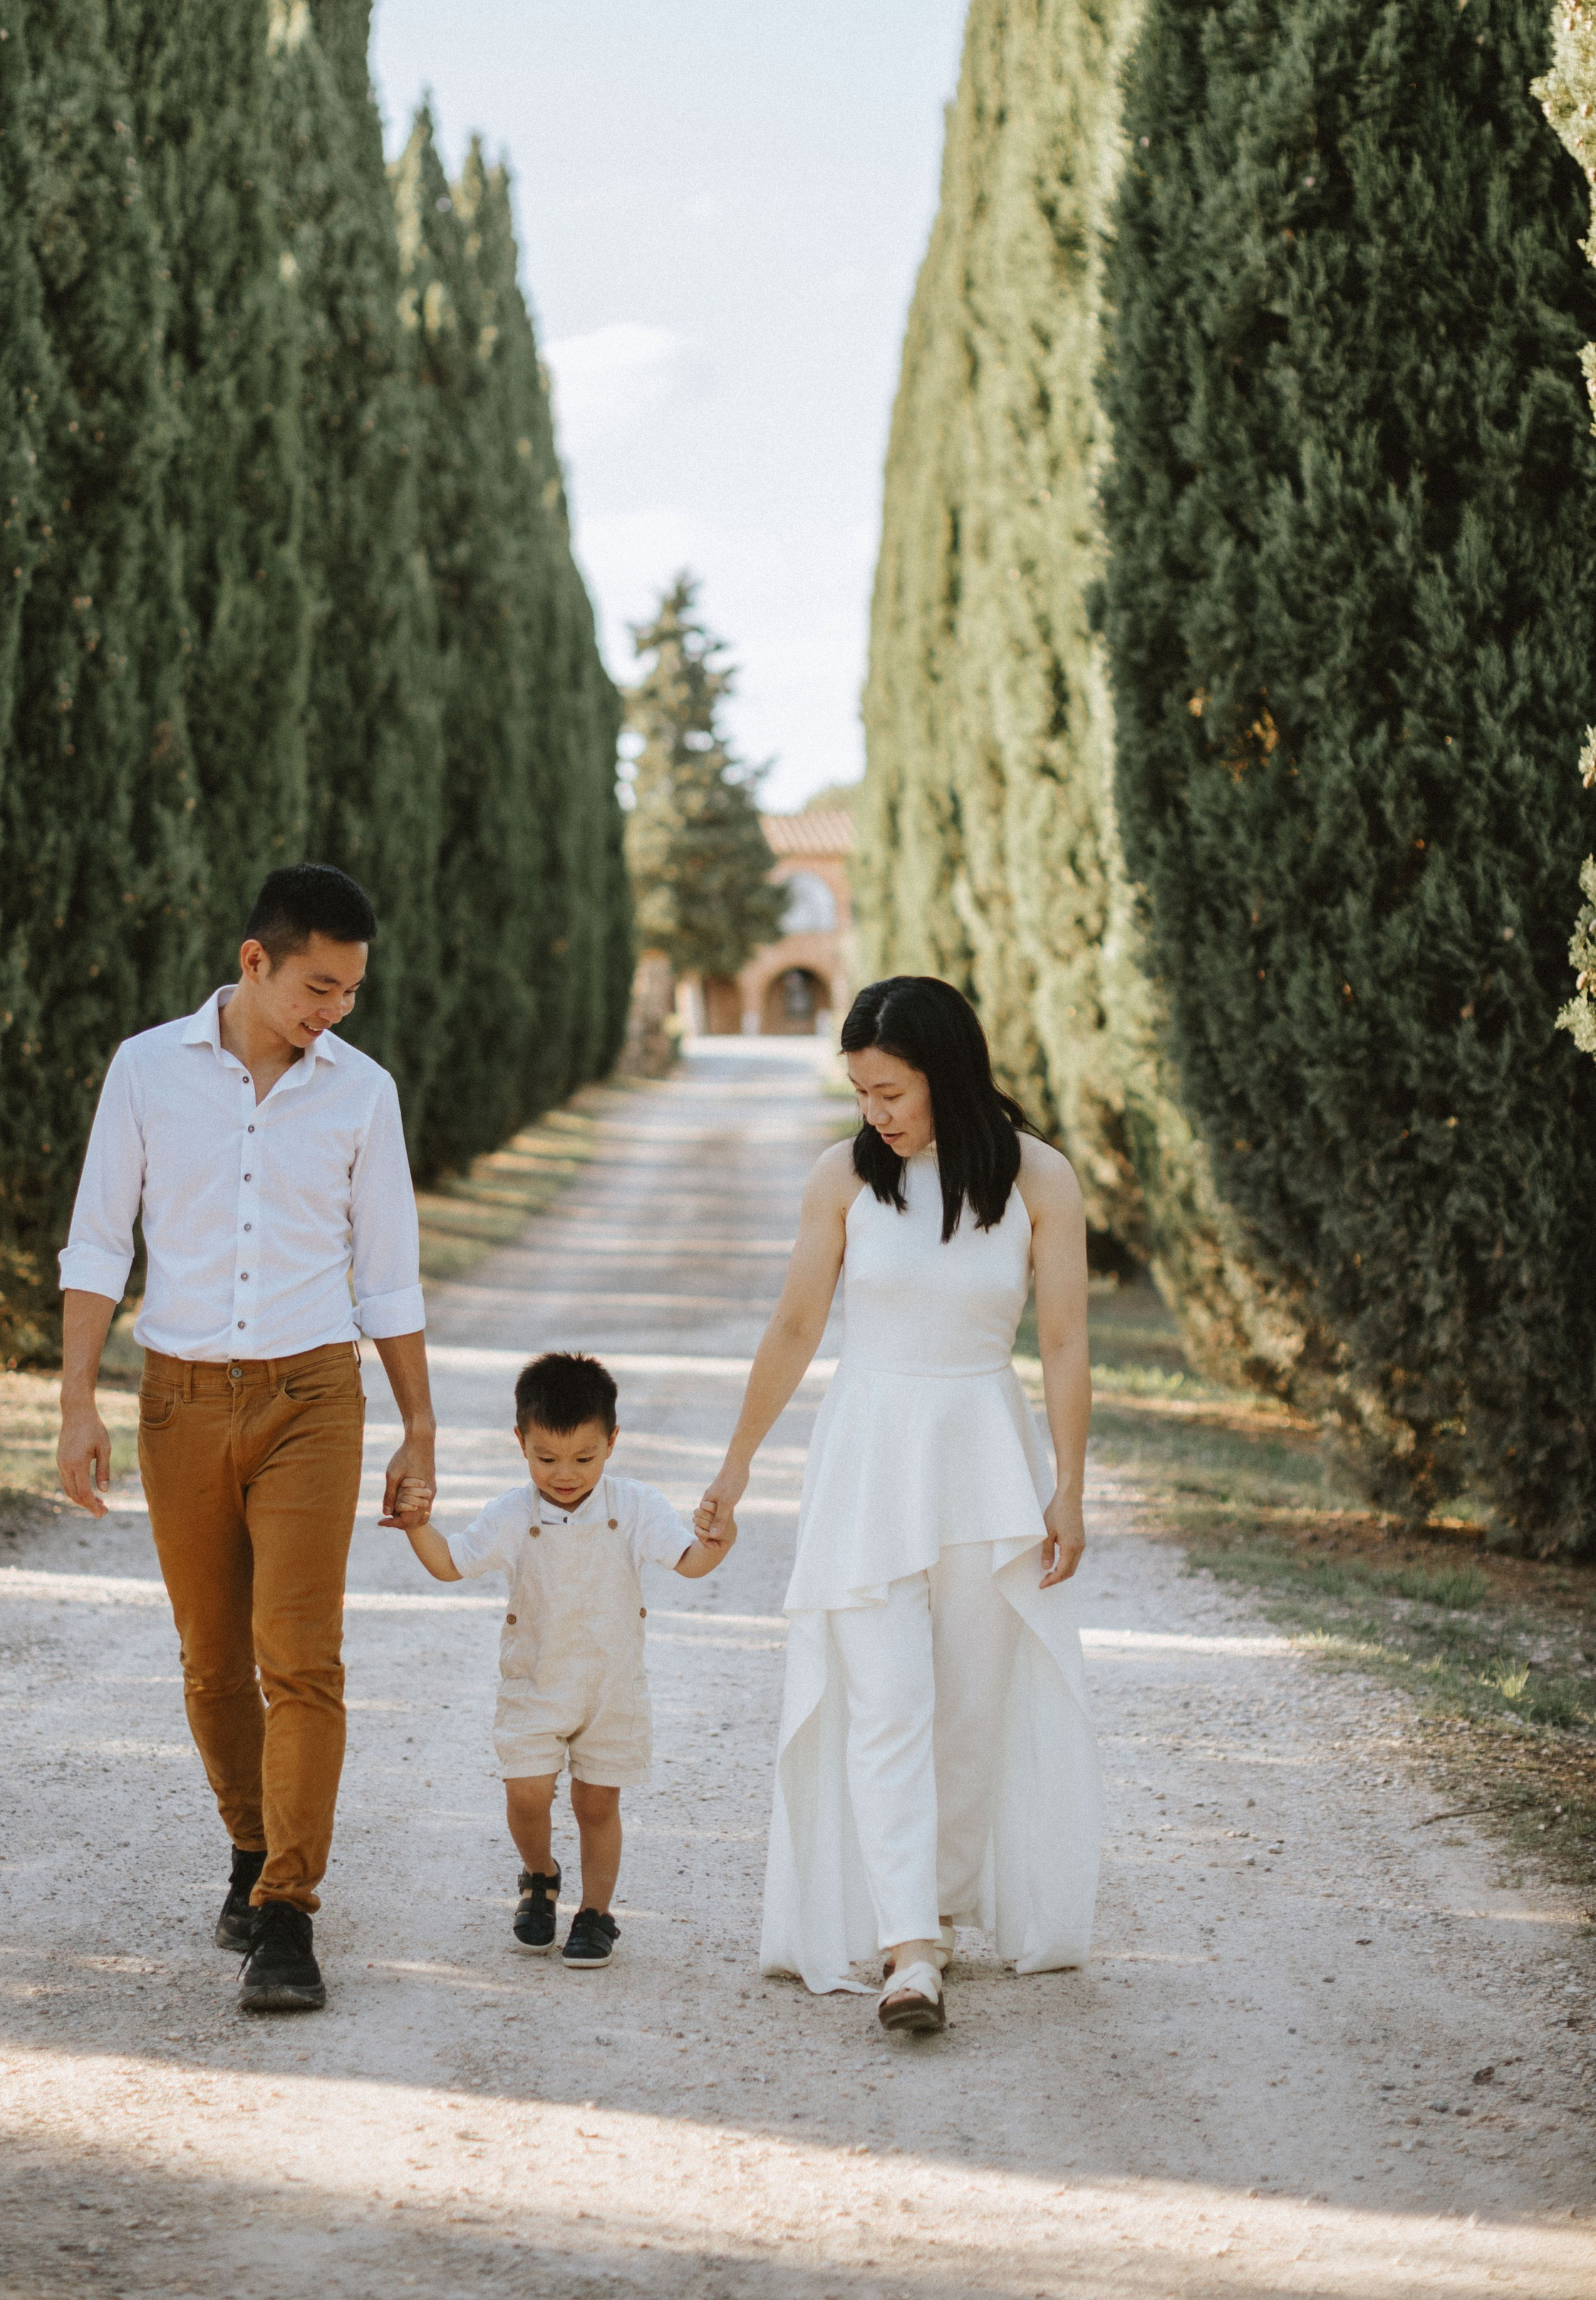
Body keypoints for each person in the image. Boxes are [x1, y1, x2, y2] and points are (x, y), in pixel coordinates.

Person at [55, 862, 435, 2016]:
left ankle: (286, 1912)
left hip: (315, 1398)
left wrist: (420, 1425)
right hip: (176, 1401)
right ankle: (248, 1841)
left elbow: (391, 1273)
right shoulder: (146, 1071)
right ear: (254, 961)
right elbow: (95, 1244)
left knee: (300, 1657)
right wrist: (76, 1402)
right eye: (319, 984)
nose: (335, 1009)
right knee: (213, 1662)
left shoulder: (362, 1093)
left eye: (353, 991)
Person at [695, 974, 1100, 2034]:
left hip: (983, 1456)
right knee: (883, 1703)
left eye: (892, 1091)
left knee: (968, 1711)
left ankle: (943, 1912)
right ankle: (907, 1946)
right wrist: (736, 1467)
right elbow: (793, 1327)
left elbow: (1064, 1341)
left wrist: (1071, 1487)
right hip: (869, 1454)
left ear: (946, 1072)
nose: (875, 1112)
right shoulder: (842, 1178)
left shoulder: (1040, 1179)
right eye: (862, 1091)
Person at [391, 1352, 733, 1968]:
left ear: (612, 1443)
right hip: (534, 1683)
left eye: (584, 1458)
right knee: (526, 1793)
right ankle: (540, 1875)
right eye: (546, 1459)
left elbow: (690, 1561)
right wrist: (418, 1524)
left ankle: (596, 1914)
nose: (566, 1474)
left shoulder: (634, 1507)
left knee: (597, 1803)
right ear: (520, 1442)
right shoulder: (512, 1514)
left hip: (610, 1688)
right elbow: (450, 1564)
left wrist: (718, 1541)